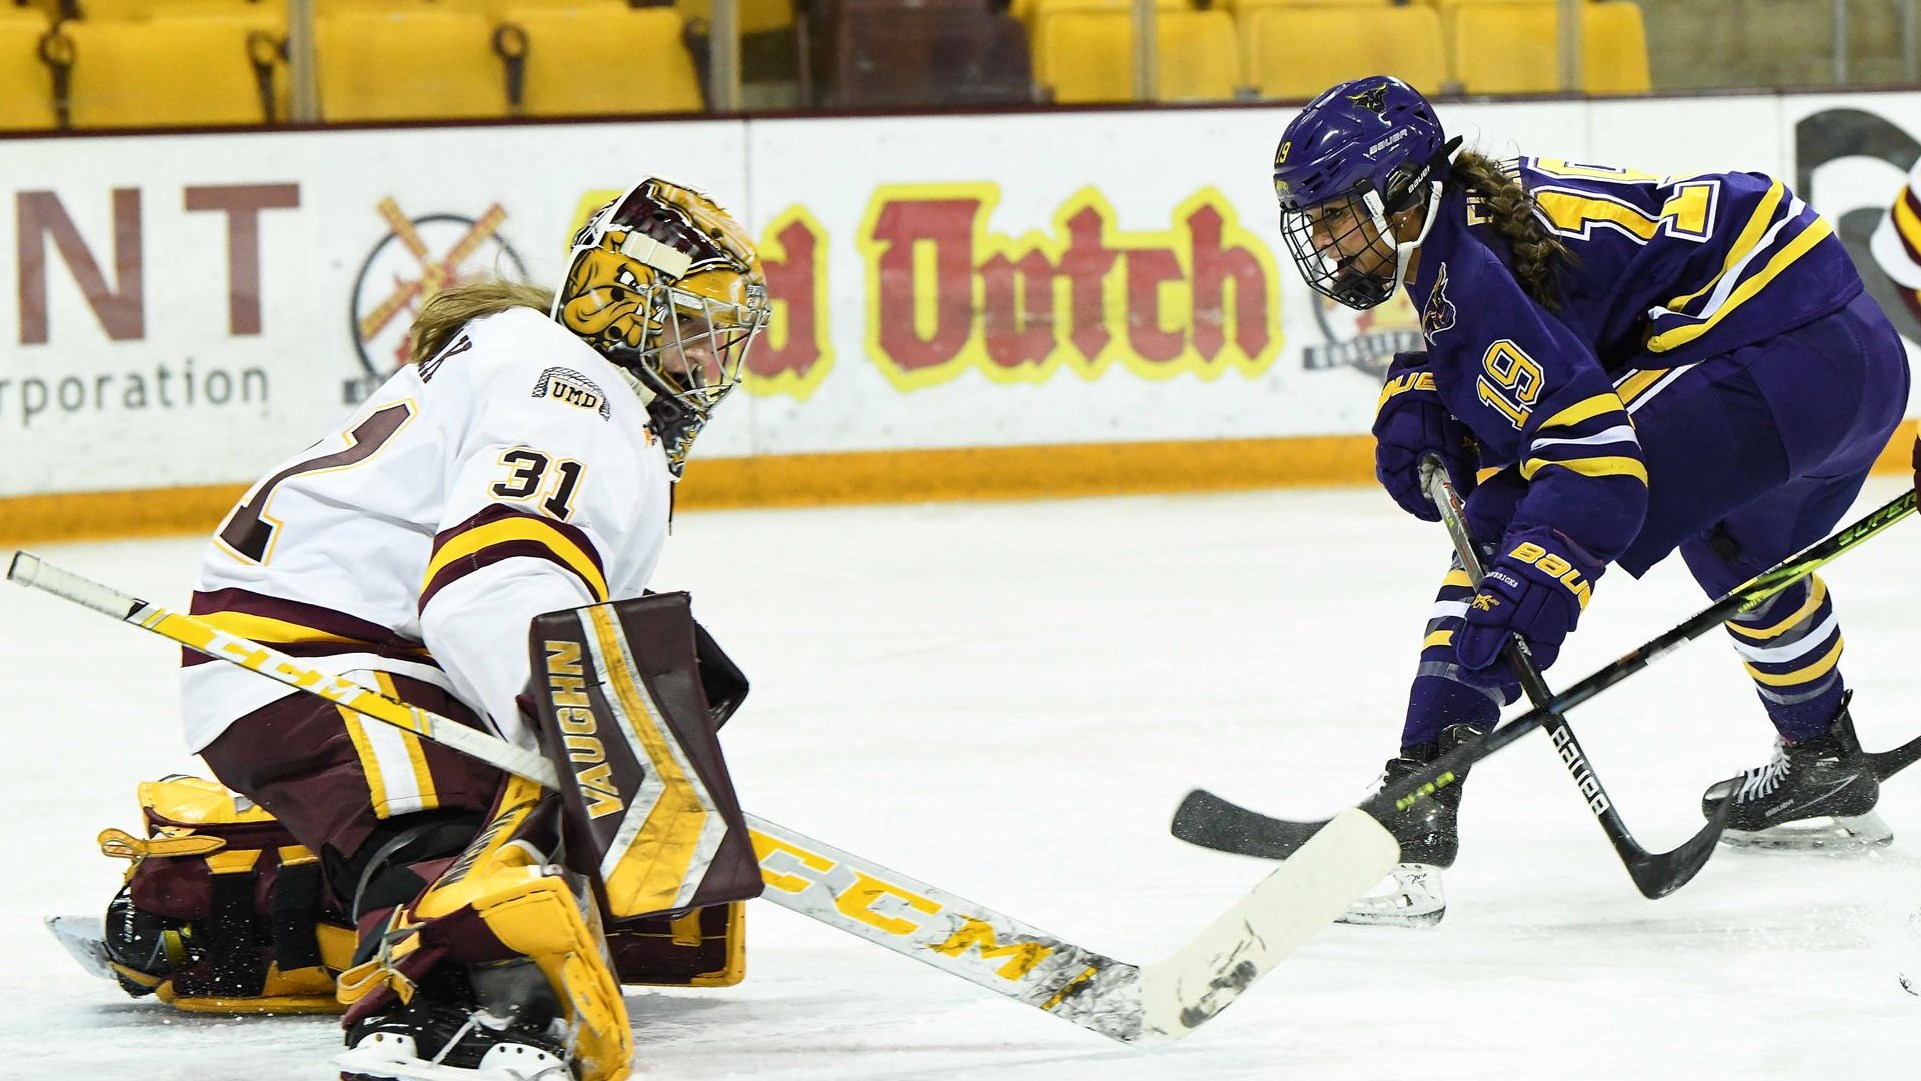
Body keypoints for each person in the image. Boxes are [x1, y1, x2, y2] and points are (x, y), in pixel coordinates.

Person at [92, 178, 771, 1081]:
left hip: (338, 650)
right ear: (615, 300)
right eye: (688, 323)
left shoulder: (548, 370)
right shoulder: (573, 391)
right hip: (323, 659)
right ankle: (454, 1007)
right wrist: (589, 741)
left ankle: (218, 892)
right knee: (469, 856)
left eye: (722, 331)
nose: (709, 354)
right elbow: (492, 585)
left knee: (570, 868)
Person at [1271, 76, 1910, 921]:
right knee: (1736, 548)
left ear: (1397, 194)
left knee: (1511, 528)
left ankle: (1410, 816)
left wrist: (1539, 580)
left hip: (1774, 365)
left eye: (1334, 214)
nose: (1323, 240)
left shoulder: (1466, 263)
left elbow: (1592, 463)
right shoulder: (1477, 206)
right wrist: (1432, 386)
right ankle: (1821, 753)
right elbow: (1557, 322)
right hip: (1855, 363)